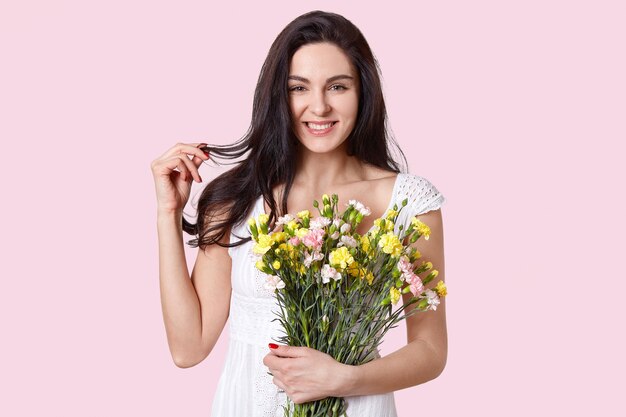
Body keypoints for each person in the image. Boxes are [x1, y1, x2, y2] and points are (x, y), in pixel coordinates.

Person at [150, 10, 447, 417]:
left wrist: (344, 379)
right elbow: (188, 348)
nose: (319, 106)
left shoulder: (406, 202)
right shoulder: (235, 201)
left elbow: (430, 350)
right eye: (299, 88)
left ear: (363, 93)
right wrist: (168, 214)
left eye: (337, 86)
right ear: (278, 96)